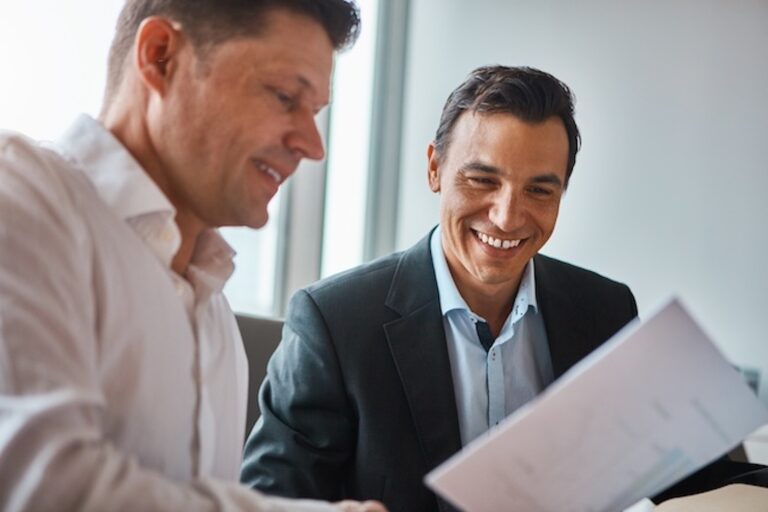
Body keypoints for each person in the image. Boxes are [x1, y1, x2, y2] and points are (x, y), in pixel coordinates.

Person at [240, 66, 765, 511]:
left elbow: (684, 476)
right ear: (434, 168)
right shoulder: (335, 323)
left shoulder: (604, 309)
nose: (508, 216)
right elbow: (269, 499)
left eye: (539, 189)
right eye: (482, 180)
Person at [0, 1, 385, 511]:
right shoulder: (21, 196)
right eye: (284, 96)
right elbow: (42, 489)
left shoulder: (213, 309)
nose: (313, 146)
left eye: (314, 113)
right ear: (161, 57)